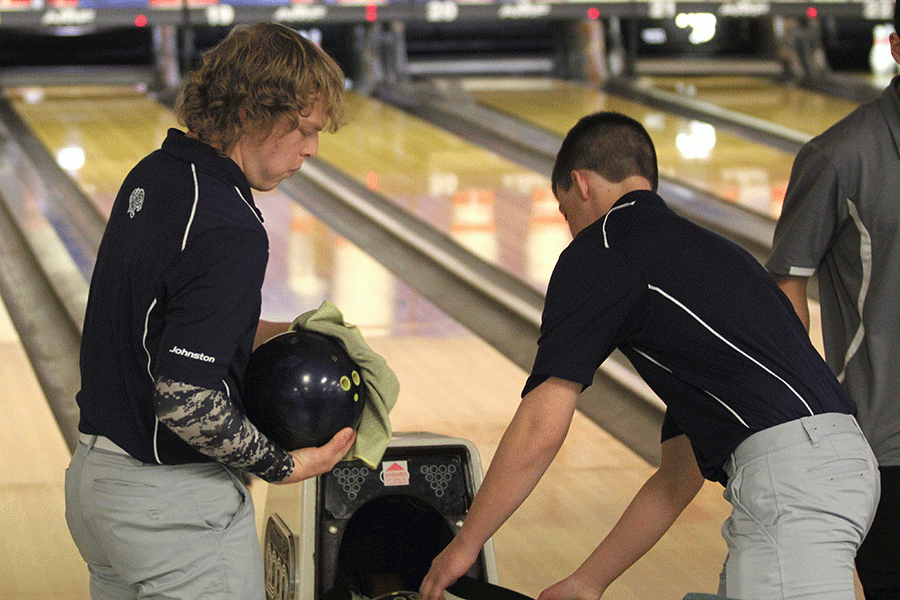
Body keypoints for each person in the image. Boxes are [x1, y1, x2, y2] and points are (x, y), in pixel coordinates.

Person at [420, 112, 880, 600]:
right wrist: (588, 580)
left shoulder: (603, 248)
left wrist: (465, 544)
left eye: (563, 211)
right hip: (837, 462)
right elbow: (677, 480)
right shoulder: (709, 260)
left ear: (580, 185)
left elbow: (541, 424)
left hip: (792, 486)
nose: (569, 227)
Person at [64, 22, 356, 600]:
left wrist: (286, 332)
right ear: (250, 110)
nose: (312, 149)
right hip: (172, 509)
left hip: (96, 488)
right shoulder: (230, 224)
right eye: (302, 129)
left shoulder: (156, 174)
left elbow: (158, 328)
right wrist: (283, 465)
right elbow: (183, 397)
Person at [766, 7, 900, 598]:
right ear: (896, 47)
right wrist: (816, 409)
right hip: (884, 443)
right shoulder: (840, 156)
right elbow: (787, 281)